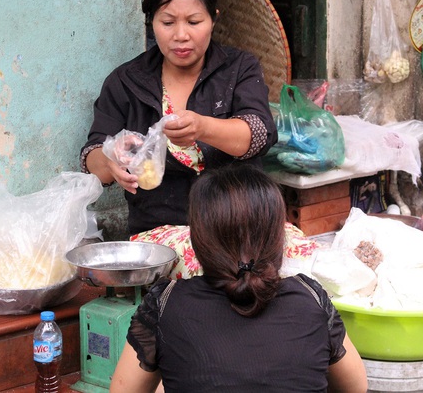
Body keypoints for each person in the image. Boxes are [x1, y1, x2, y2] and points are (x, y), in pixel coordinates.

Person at [110, 164, 368, 393]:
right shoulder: (311, 298)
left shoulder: (165, 304)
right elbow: (356, 387)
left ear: (197, 242)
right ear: (279, 237)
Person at [80, 0, 277, 235]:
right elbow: (93, 159)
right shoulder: (126, 81)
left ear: (213, 20)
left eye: (194, 22)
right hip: (161, 230)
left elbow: (258, 134)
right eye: (168, 22)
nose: (181, 35)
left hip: (240, 226)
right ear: (152, 23)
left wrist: (204, 128)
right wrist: (111, 158)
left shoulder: (240, 68)